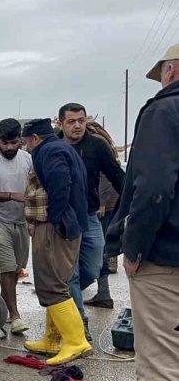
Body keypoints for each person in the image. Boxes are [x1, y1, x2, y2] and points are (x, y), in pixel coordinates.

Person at [105, 46, 179, 381]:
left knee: (163, 364)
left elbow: (152, 189)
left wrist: (132, 249)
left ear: (170, 71)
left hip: (167, 257)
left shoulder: (164, 112)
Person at [20, 118, 90, 365]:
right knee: (55, 281)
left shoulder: (49, 151)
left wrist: (56, 218)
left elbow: (61, 184)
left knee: (52, 284)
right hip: (69, 223)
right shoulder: (62, 148)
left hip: (56, 227)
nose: (26, 147)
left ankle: (75, 341)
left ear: (35, 138)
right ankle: (52, 337)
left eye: (26, 142)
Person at [58, 103, 124, 341]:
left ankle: (64, 295)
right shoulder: (54, 146)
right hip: (64, 219)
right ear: (61, 123)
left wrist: (128, 209)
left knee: (93, 268)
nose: (77, 125)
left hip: (90, 215)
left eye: (81, 120)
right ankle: (79, 323)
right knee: (72, 273)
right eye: (71, 121)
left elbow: (117, 176)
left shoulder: (97, 146)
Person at [0, 118, 33, 335]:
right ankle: (15, 316)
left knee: (16, 269)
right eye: (4, 143)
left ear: (21, 141)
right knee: (7, 268)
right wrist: (11, 196)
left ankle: (7, 303)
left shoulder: (27, 160)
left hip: (22, 222)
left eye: (13, 143)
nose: (8, 148)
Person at [84, 120, 120, 309]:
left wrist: (101, 202)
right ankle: (102, 292)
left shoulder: (95, 142)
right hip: (108, 202)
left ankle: (104, 293)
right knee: (102, 247)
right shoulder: (104, 140)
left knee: (100, 249)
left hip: (102, 204)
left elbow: (104, 175)